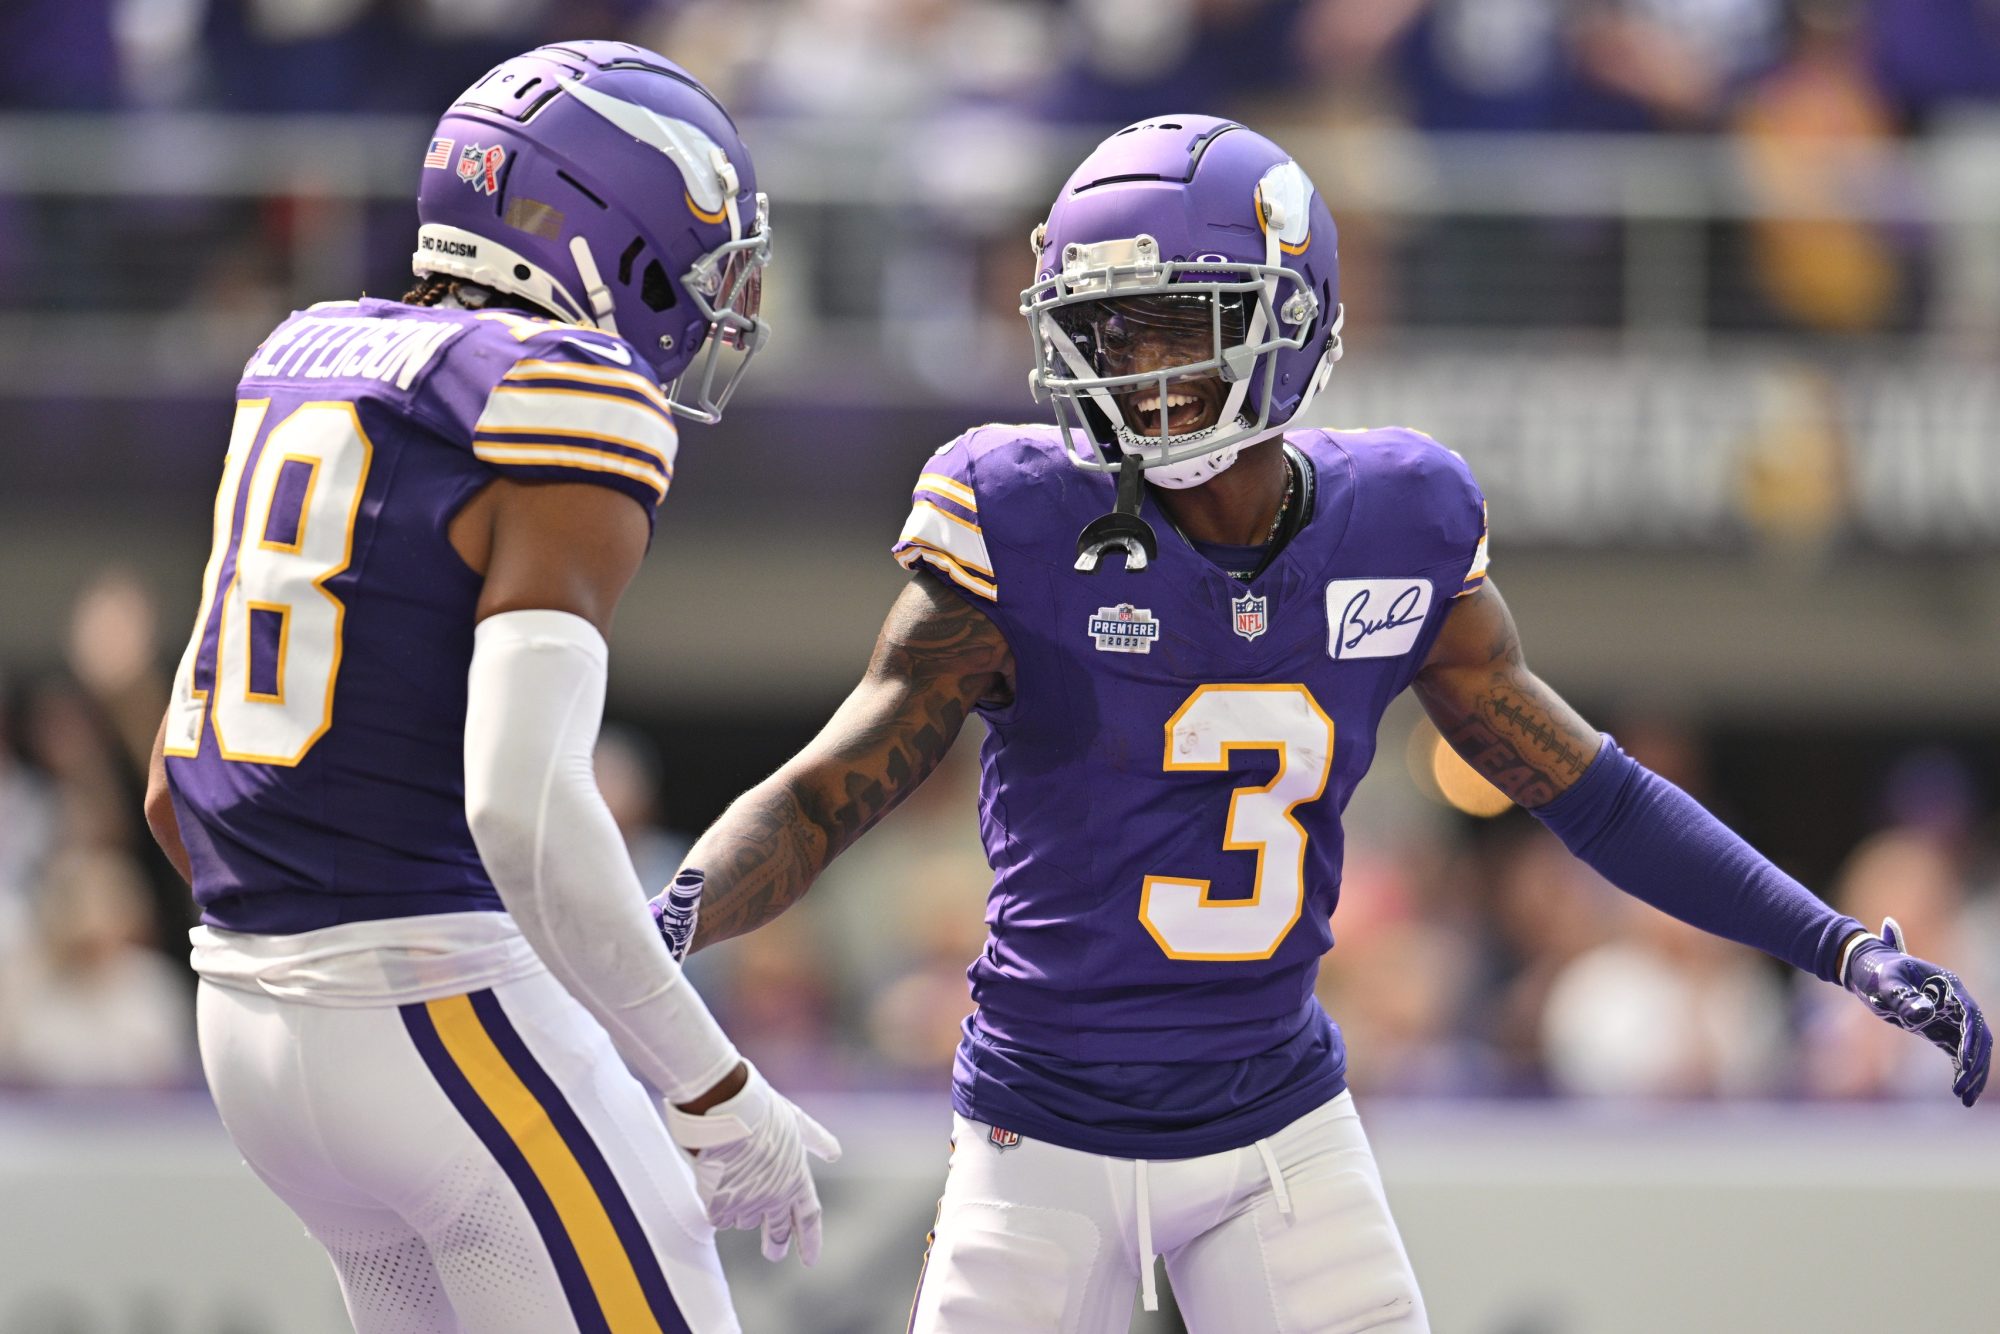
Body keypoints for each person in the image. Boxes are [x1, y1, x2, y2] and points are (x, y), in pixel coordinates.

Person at [667, 115, 1991, 1333]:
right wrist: (662, 922)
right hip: (1036, 1135)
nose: (1134, 370)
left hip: (1275, 1134)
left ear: (1289, 314)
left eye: (1171, 324)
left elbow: (1590, 790)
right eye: (1107, 330)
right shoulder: (1018, 513)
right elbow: (831, 786)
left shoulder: (1398, 521)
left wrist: (1831, 946)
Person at [141, 41, 835, 1334]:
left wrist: (312, 960)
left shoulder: (302, 352)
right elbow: (522, 814)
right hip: (432, 1013)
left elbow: (173, 798)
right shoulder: (570, 394)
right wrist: (710, 1083)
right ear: (607, 232)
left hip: (245, 1018)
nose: (702, 306)